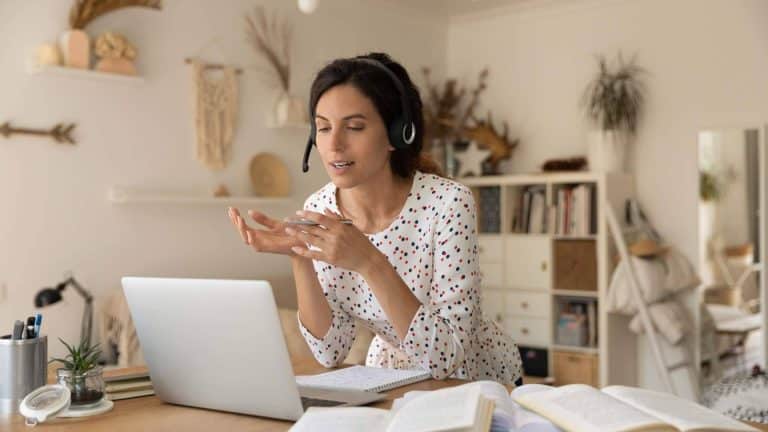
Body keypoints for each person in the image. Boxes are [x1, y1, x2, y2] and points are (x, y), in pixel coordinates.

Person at [228, 52, 522, 385]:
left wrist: (368, 261)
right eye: (323, 128)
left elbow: (446, 357)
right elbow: (329, 351)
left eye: (354, 127)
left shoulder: (448, 203)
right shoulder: (321, 207)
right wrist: (300, 257)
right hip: (390, 378)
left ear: (398, 134)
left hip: (471, 380)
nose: (334, 144)